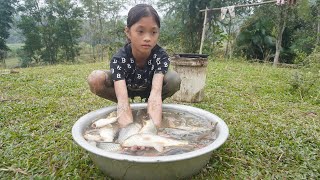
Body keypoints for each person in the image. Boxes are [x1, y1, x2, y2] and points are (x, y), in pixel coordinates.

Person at [87, 4, 181, 129]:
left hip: (150, 90)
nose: (147, 38)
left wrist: (154, 129)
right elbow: (122, 99)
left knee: (174, 79)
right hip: (124, 89)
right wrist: (128, 131)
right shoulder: (119, 59)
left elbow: (156, 92)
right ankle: (130, 106)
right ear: (128, 32)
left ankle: (147, 106)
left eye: (153, 32)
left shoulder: (161, 56)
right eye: (140, 31)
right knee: (96, 79)